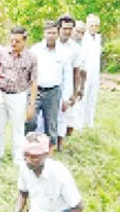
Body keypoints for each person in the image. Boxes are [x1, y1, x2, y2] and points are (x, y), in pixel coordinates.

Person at [0, 26, 38, 164]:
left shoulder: (31, 57)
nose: (13, 44)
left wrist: (31, 104)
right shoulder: (1, 53)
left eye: (17, 41)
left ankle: (18, 157)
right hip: (1, 94)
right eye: (12, 40)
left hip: (19, 95)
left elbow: (34, 81)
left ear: (24, 41)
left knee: (18, 127)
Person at [28, 21, 66, 147]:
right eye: (49, 32)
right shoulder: (35, 50)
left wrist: (66, 97)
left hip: (53, 91)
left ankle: (49, 151)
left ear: (58, 34)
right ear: (44, 34)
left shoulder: (62, 52)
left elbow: (67, 75)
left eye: (54, 33)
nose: (51, 35)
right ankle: (29, 148)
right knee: (30, 120)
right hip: (36, 90)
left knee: (51, 123)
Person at [55, 15, 84, 150]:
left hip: (66, 85)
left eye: (70, 29)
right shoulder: (50, 44)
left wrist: (75, 92)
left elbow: (76, 71)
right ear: (58, 28)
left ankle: (60, 143)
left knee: (63, 114)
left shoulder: (75, 48)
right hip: (49, 83)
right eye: (64, 28)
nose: (67, 32)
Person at [81, 14, 102, 128]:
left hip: (95, 72)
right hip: (84, 72)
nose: (94, 28)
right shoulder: (83, 39)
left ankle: (90, 122)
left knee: (92, 98)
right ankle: (80, 123)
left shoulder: (98, 38)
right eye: (91, 25)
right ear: (87, 25)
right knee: (83, 98)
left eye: (96, 25)